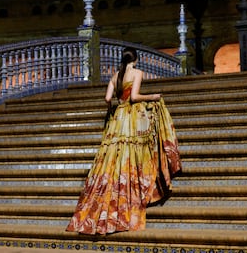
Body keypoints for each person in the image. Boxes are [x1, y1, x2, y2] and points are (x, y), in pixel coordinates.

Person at [66, 47, 181, 235]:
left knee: (112, 155)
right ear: (135, 59)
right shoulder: (137, 72)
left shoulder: (115, 75)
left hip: (117, 118)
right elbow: (135, 97)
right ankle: (130, 190)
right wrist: (153, 97)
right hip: (131, 117)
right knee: (132, 152)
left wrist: (113, 107)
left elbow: (106, 98)